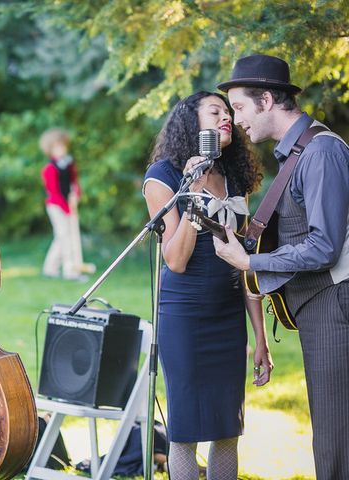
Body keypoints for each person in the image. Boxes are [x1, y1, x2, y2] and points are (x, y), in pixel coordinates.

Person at [214, 54, 349, 479]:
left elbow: (323, 246)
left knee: (335, 440)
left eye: (238, 108)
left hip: (336, 305)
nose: (235, 121)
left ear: (267, 99)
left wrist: (250, 260)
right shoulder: (299, 151)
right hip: (323, 306)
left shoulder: (322, 152)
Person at [142, 91, 272, 480]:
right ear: (190, 122)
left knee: (227, 429)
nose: (227, 117)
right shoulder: (163, 177)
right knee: (185, 433)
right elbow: (175, 261)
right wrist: (193, 194)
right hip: (184, 316)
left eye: (229, 112)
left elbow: (245, 263)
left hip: (228, 316)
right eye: (216, 111)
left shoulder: (236, 178)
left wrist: (260, 336)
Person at [39, 128, 95, 280]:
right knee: (65, 237)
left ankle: (50, 268)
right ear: (50, 149)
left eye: (63, 146)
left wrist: (76, 195)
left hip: (68, 204)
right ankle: (70, 271)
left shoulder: (69, 163)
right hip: (56, 206)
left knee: (62, 236)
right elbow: (54, 192)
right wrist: (67, 209)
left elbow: (74, 182)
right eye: (57, 147)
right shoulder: (49, 169)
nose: (61, 149)